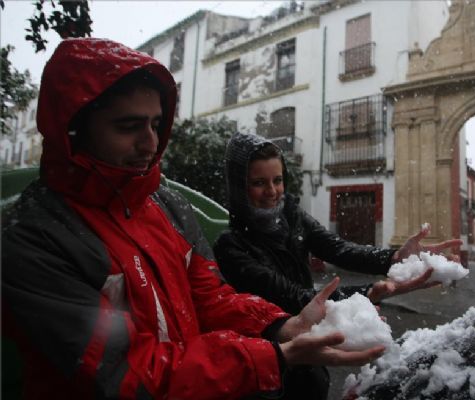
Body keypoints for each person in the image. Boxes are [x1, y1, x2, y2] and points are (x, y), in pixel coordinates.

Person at [1, 38, 385, 400]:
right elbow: (125, 373)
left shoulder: (165, 205)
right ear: (74, 129)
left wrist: (281, 325)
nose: (151, 143)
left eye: (155, 124)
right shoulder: (35, 238)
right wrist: (274, 355)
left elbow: (209, 296)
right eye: (128, 126)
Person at [213, 133, 463, 399]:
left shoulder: (291, 217)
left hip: (312, 355)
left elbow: (338, 249)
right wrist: (369, 294)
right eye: (259, 183)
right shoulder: (231, 246)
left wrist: (392, 259)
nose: (272, 191)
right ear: (240, 187)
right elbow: (292, 297)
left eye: (278, 180)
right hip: (268, 366)